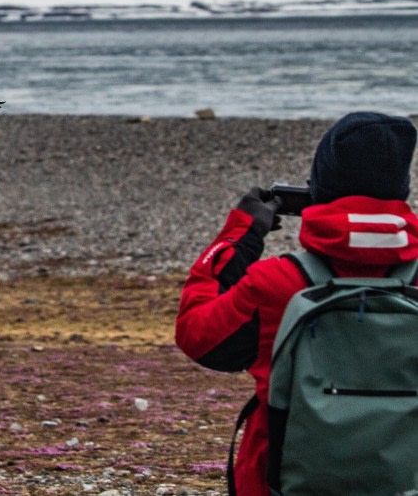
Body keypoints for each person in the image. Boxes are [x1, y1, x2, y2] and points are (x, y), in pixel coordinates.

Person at [175, 111, 418, 496]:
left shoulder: (278, 282)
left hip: (280, 483)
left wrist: (241, 234)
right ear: (400, 190)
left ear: (319, 188)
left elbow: (198, 337)